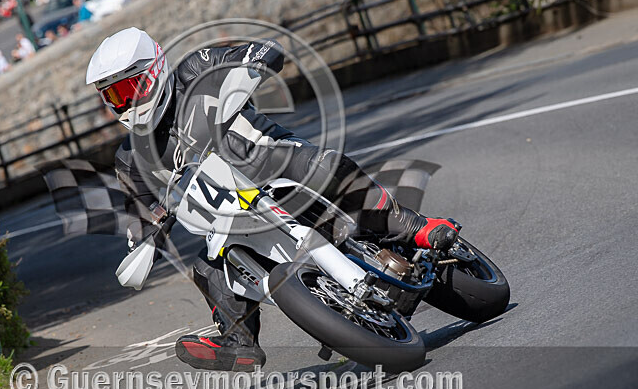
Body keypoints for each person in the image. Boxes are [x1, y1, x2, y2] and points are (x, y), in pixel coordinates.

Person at [85, 28, 459, 371]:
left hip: (277, 161)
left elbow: (261, 51)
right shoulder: (130, 157)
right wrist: (144, 240)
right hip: (228, 212)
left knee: (326, 168)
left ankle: (418, 229)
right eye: (115, 95)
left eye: (131, 87)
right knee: (206, 268)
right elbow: (139, 211)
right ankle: (238, 342)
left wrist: (256, 62)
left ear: (155, 71)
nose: (126, 101)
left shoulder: (194, 71)